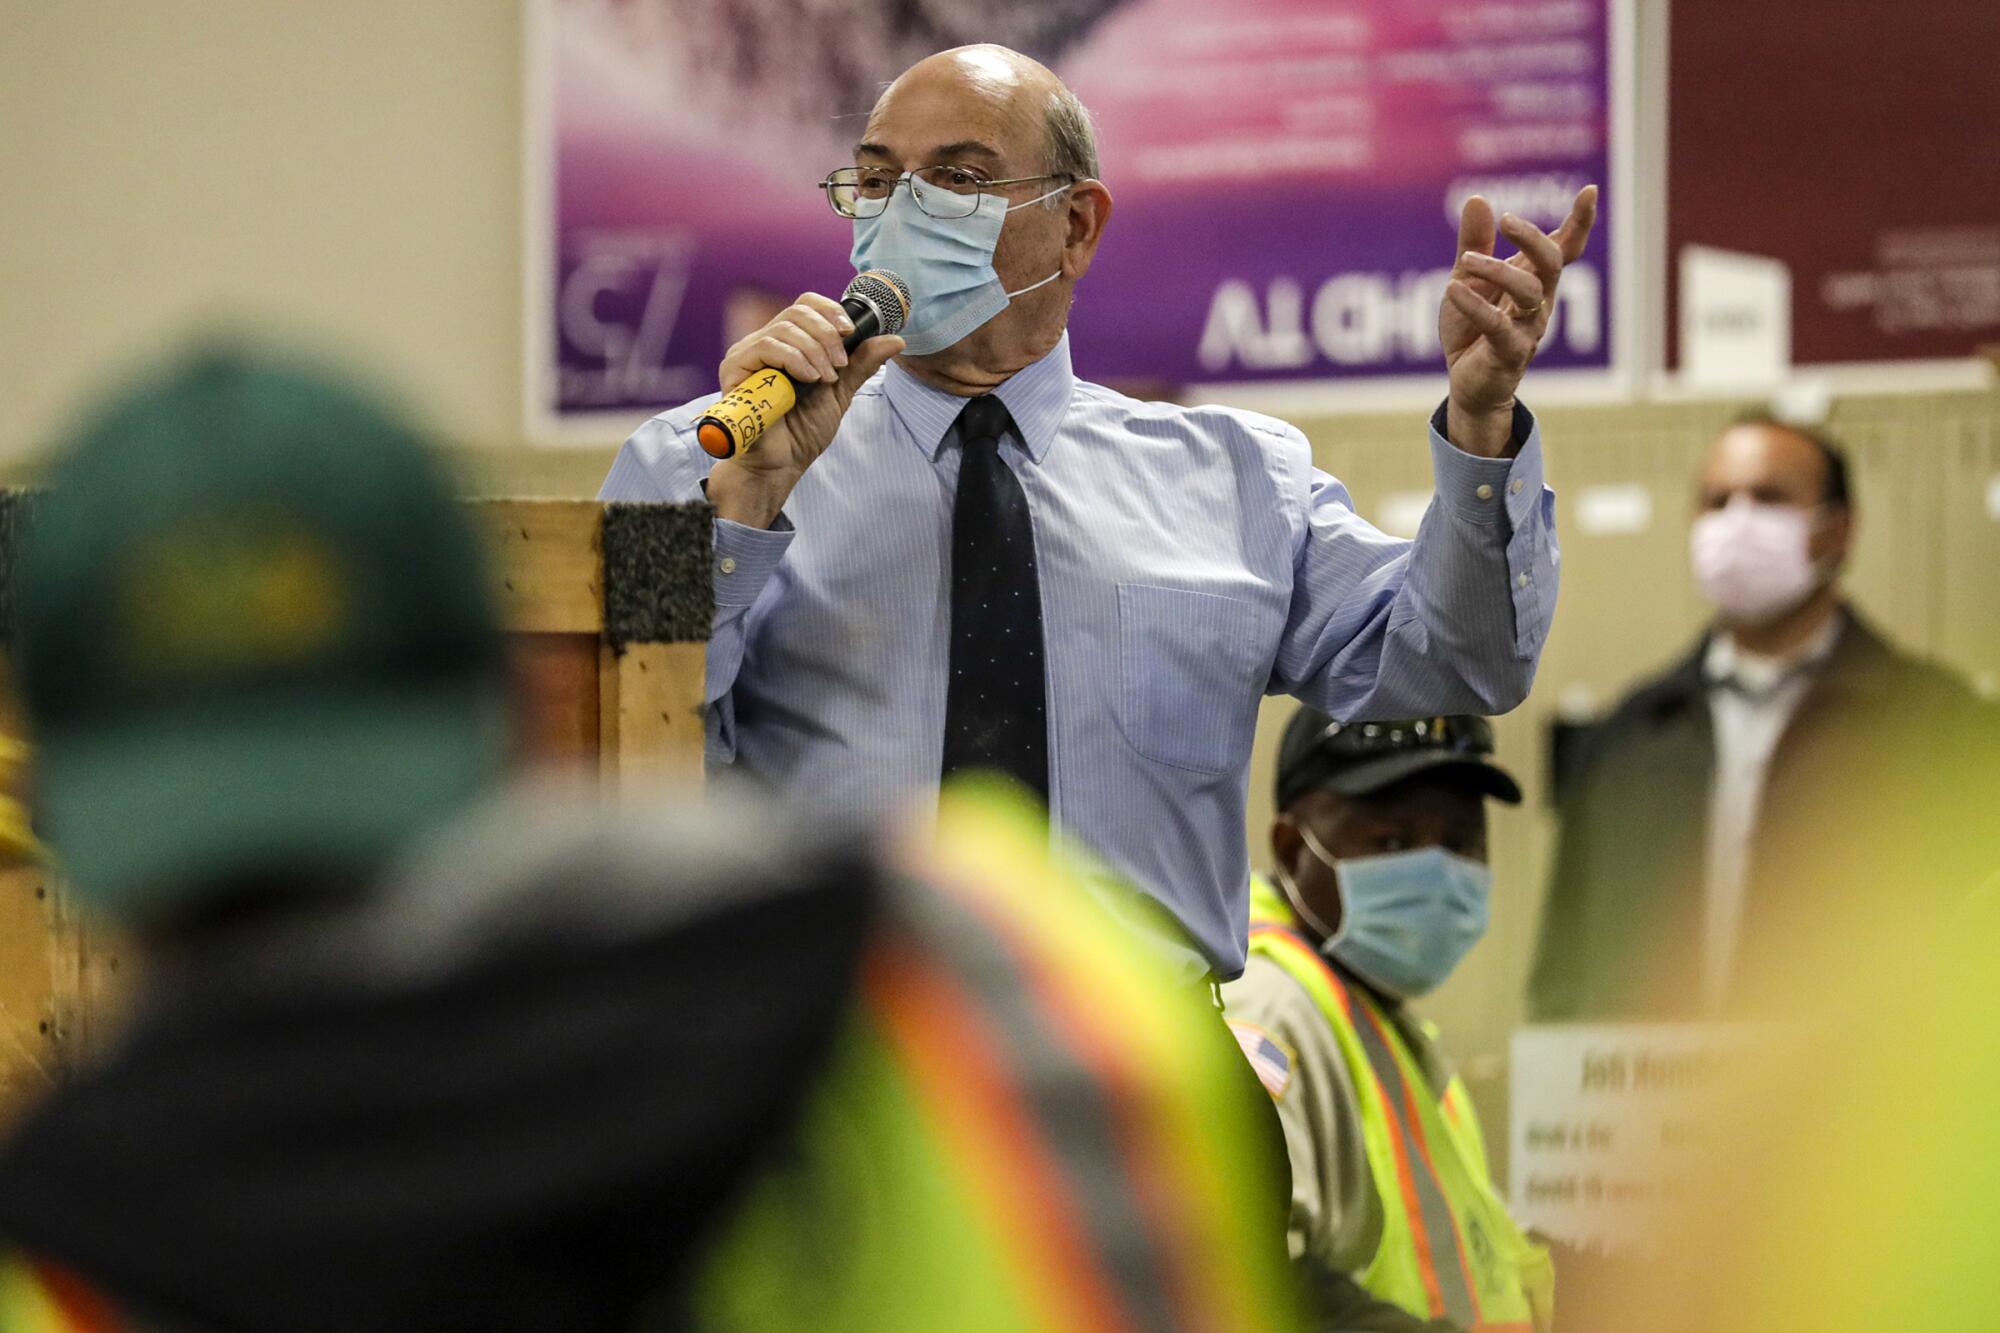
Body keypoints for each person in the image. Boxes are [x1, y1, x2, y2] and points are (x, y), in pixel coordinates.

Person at [0, 349, 1298, 1331]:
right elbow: (663, 645)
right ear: (523, 720)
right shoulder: (1006, 1005)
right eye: (881, 171)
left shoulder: (64, 1256)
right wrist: (733, 520)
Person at [598, 43, 1596, 982]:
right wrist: (738, 517)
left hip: (1145, 1082)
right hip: (839, 1077)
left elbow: (1464, 659)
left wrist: (1478, 422)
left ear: (1075, 225)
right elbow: (612, 766)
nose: (899, 212)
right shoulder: (685, 457)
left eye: (954, 178)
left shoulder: (1237, 478)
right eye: (875, 178)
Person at [1528, 414, 1998, 1020]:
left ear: (1838, 531)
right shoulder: (1629, 739)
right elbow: (1566, 974)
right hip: (1655, 1105)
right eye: (1717, 501)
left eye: (1768, 497)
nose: (1736, 523)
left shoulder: (1941, 730)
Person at [1223, 709, 1552, 1333]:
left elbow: (1482, 1248)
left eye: (1460, 843)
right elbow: (1256, 1279)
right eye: (1393, 842)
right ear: (1293, 850)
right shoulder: (1266, 1009)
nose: (1439, 870)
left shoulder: (1385, 1024)